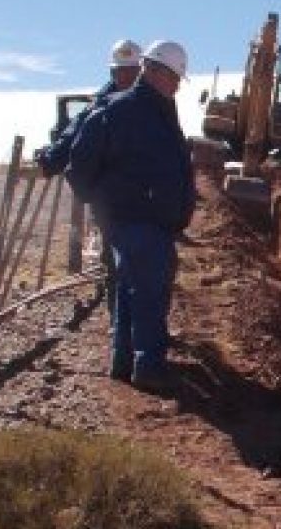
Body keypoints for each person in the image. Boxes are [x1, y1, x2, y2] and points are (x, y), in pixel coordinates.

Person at [67, 39, 196, 393]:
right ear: (155, 72)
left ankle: (123, 363)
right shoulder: (120, 111)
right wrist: (102, 201)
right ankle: (149, 367)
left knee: (127, 288)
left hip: (140, 220)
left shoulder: (156, 111)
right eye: (175, 79)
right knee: (150, 293)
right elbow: (79, 166)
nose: (176, 87)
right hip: (139, 221)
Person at [35, 39, 142, 314]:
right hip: (112, 201)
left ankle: (139, 327)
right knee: (116, 264)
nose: (125, 77)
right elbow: (73, 134)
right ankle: (119, 327)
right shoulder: (100, 105)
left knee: (144, 268)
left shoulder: (152, 104)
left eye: (131, 72)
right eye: (121, 72)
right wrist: (51, 161)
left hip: (145, 201)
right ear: (112, 73)